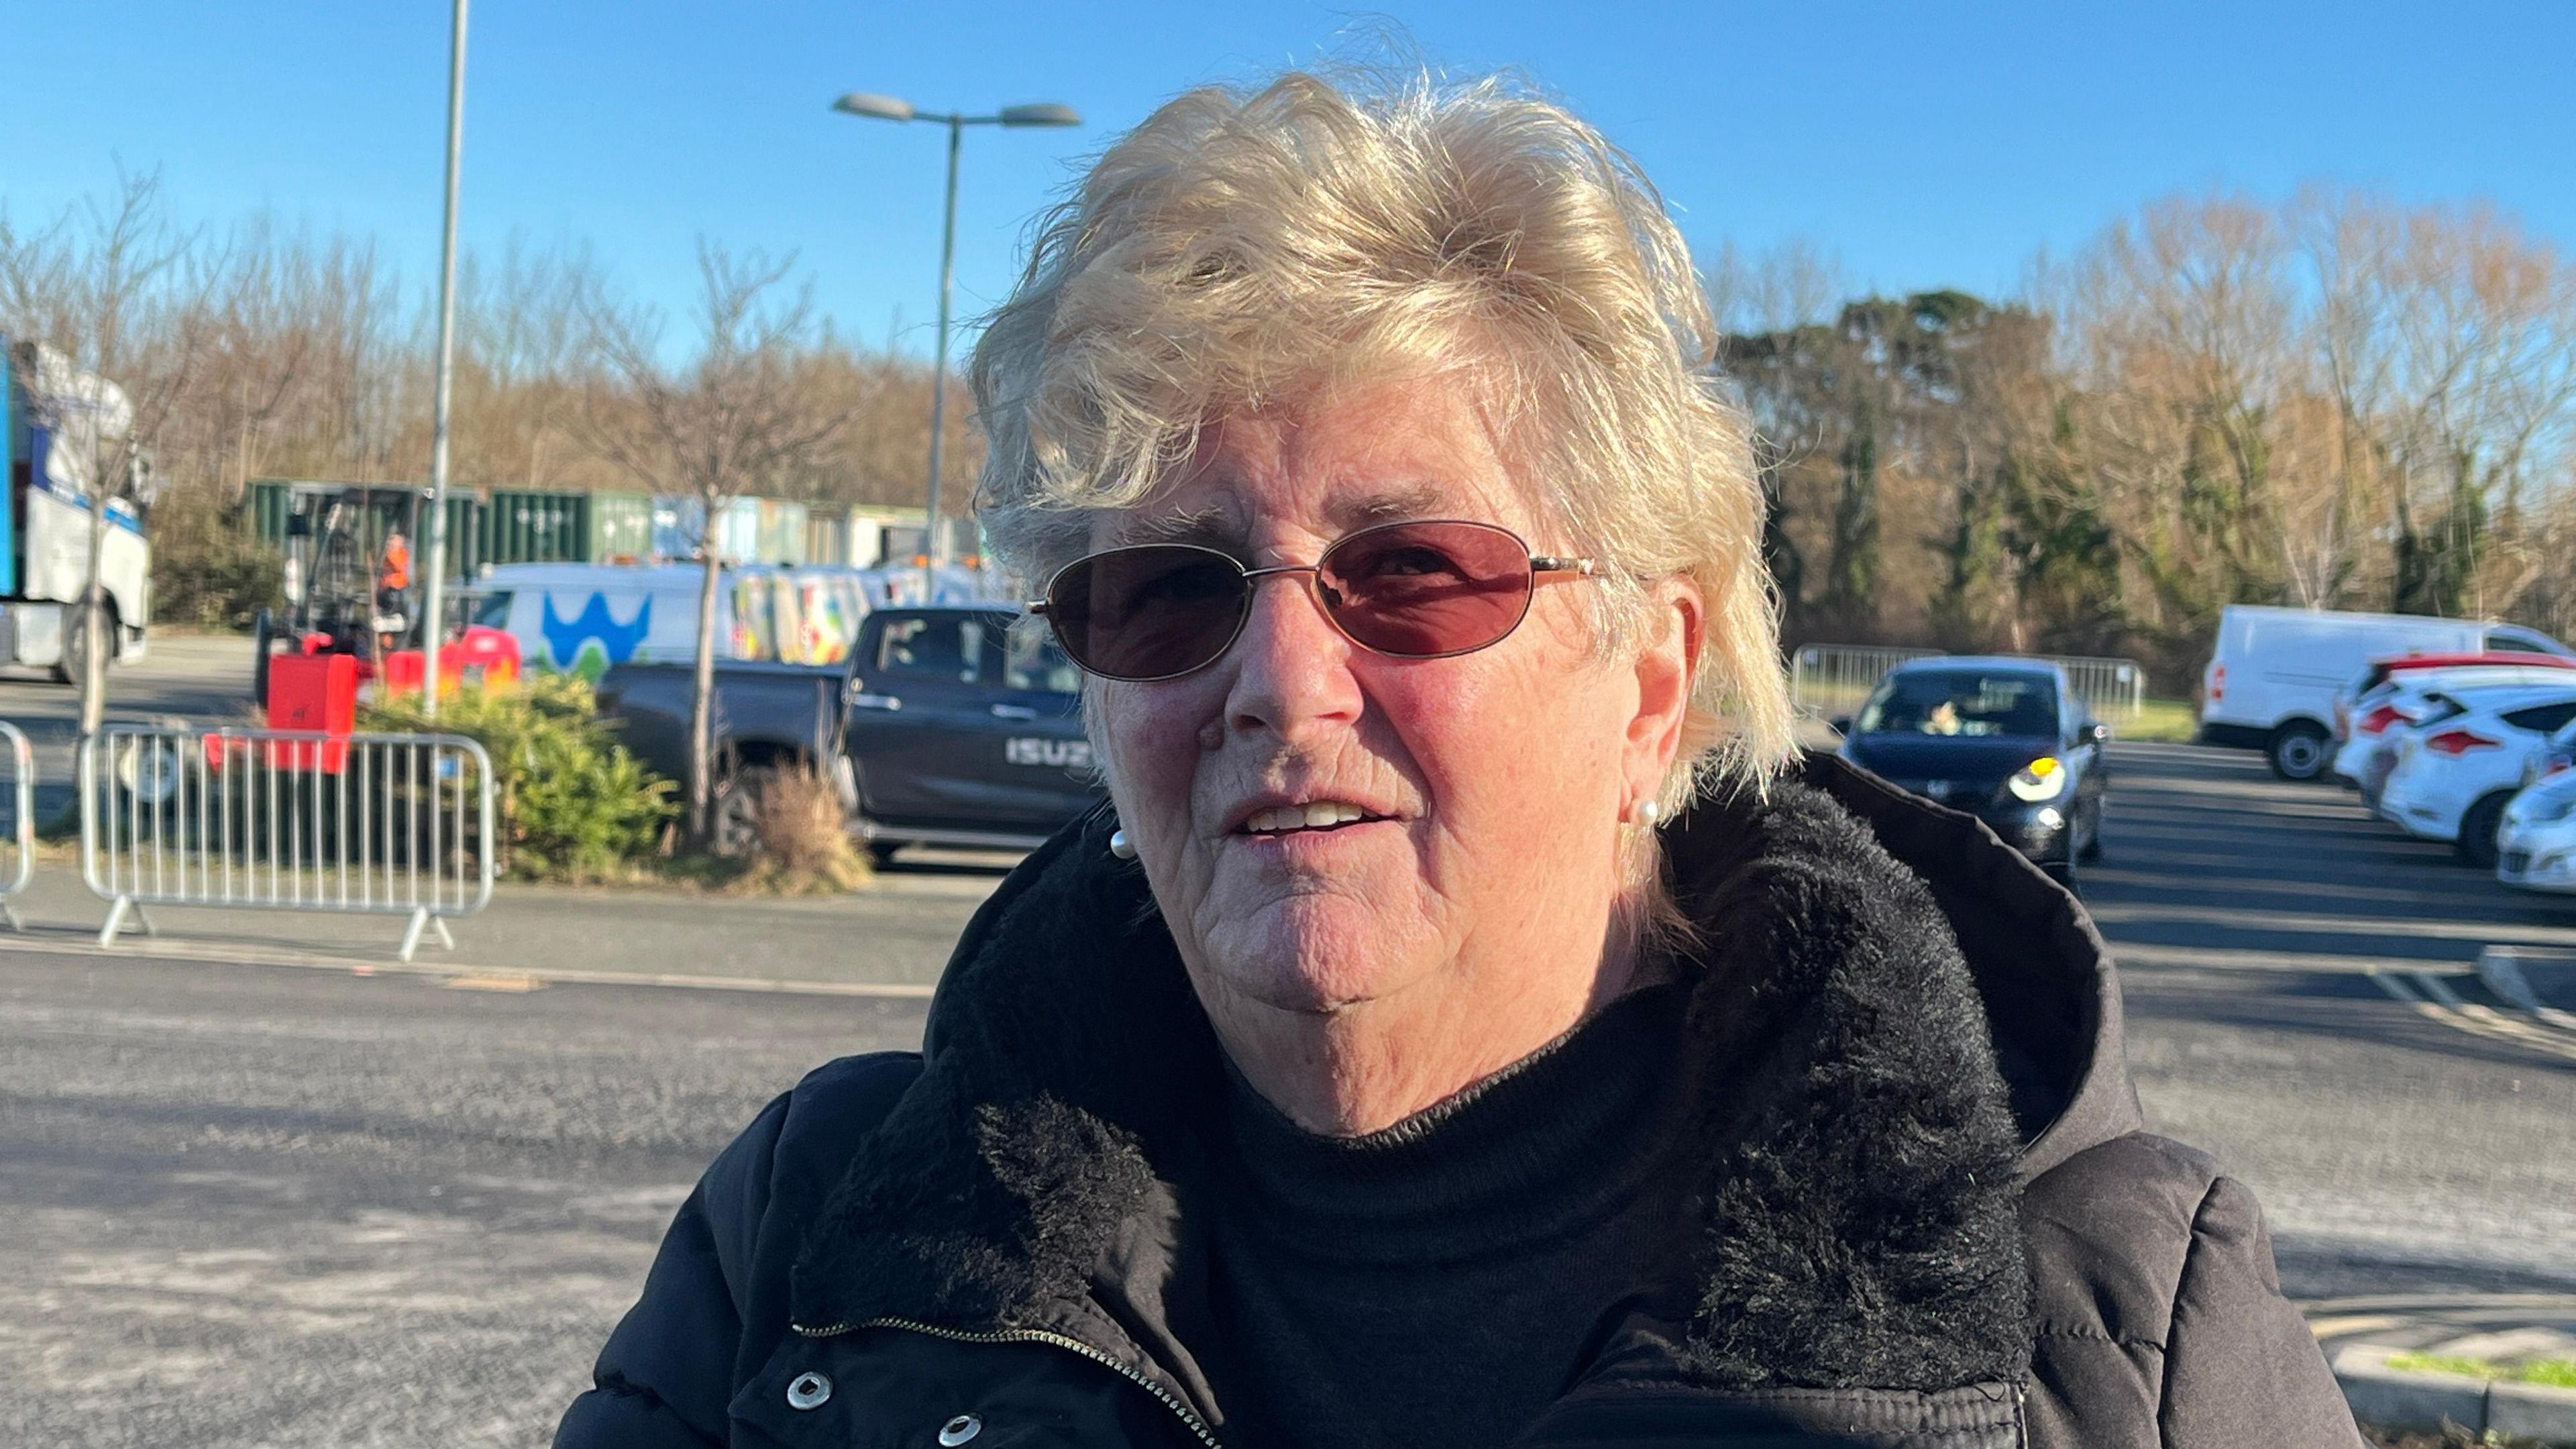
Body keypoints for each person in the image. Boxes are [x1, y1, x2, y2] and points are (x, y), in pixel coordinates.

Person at [557, 70, 2361, 1448]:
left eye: (1413, 572)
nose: (1279, 679)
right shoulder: (819, 1237)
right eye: (1167, 591)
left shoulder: (2120, 1324)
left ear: (1652, 675)